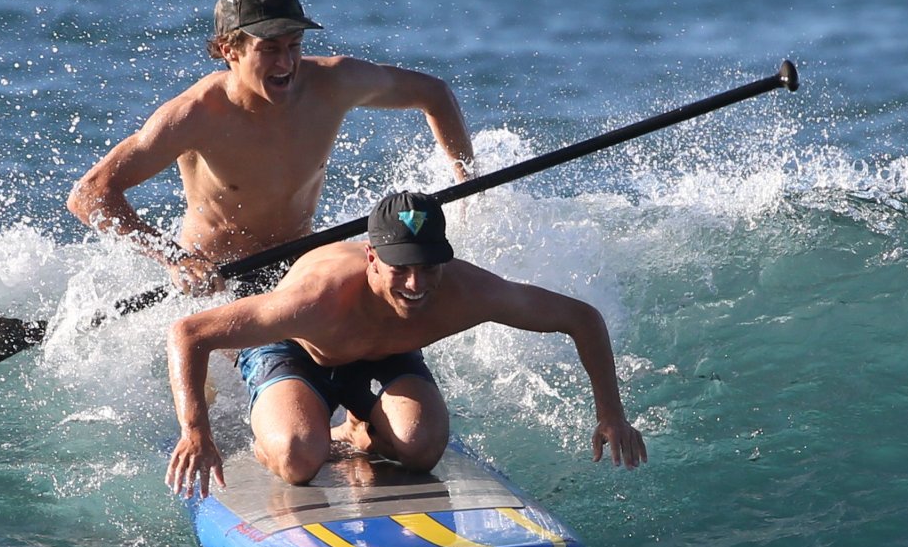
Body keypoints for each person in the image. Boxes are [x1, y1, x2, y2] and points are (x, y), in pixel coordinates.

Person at [165, 191, 648, 496]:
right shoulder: (315, 297)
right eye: (401, 269)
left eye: (428, 267)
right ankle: (272, 434)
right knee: (298, 457)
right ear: (371, 258)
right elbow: (189, 333)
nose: (416, 285)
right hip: (296, 351)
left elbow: (581, 318)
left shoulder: (469, 291)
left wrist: (611, 414)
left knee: (423, 448)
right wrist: (195, 431)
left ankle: (353, 430)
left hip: (384, 355)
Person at [68, 0, 474, 296]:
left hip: (301, 264)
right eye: (269, 49)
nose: (286, 63)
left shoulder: (334, 83)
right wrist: (176, 260)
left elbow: (434, 94)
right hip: (220, 282)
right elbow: (90, 194)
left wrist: (468, 186)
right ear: (229, 49)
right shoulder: (195, 114)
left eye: (294, 45)